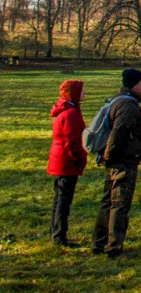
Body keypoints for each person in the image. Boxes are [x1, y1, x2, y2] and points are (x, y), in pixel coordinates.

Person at [92, 67, 141, 258]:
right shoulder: (128, 106)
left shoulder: (117, 101)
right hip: (122, 161)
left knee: (108, 201)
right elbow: (120, 132)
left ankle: (99, 242)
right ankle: (114, 247)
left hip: (115, 159)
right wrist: (112, 155)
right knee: (119, 203)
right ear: (133, 85)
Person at [47, 78, 87, 246]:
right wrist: (79, 159)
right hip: (66, 161)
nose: (84, 94)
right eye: (81, 91)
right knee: (64, 200)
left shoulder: (64, 110)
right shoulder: (71, 114)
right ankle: (59, 235)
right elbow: (72, 140)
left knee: (59, 198)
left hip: (59, 159)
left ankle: (55, 231)